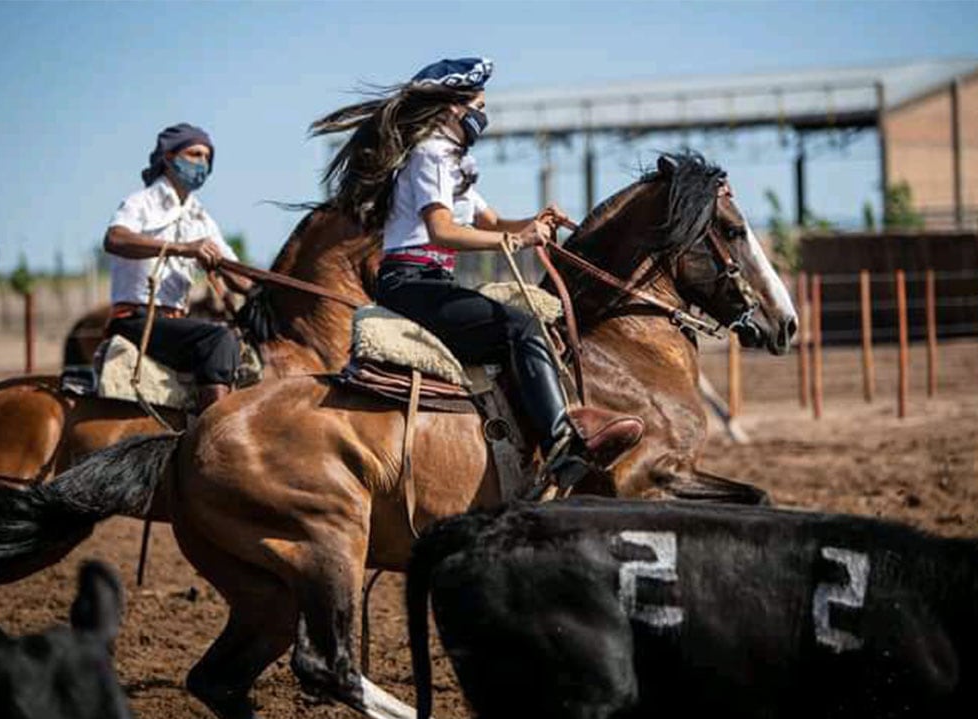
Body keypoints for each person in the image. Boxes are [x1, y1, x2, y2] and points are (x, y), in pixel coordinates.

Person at [311, 57, 643, 487]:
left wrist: (531, 223)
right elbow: (442, 230)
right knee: (522, 329)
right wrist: (518, 241)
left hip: (434, 280)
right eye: (479, 105)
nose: (483, 116)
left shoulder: (454, 159)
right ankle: (561, 444)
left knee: (530, 323)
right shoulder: (430, 153)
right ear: (453, 108)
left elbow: (490, 221)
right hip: (410, 283)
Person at [103, 122, 251, 413]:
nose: (203, 163)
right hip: (136, 320)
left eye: (207, 158)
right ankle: (214, 433)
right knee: (217, 339)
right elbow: (114, 239)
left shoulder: (201, 217)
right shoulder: (140, 202)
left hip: (174, 322)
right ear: (169, 158)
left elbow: (238, 275)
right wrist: (183, 248)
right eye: (195, 154)